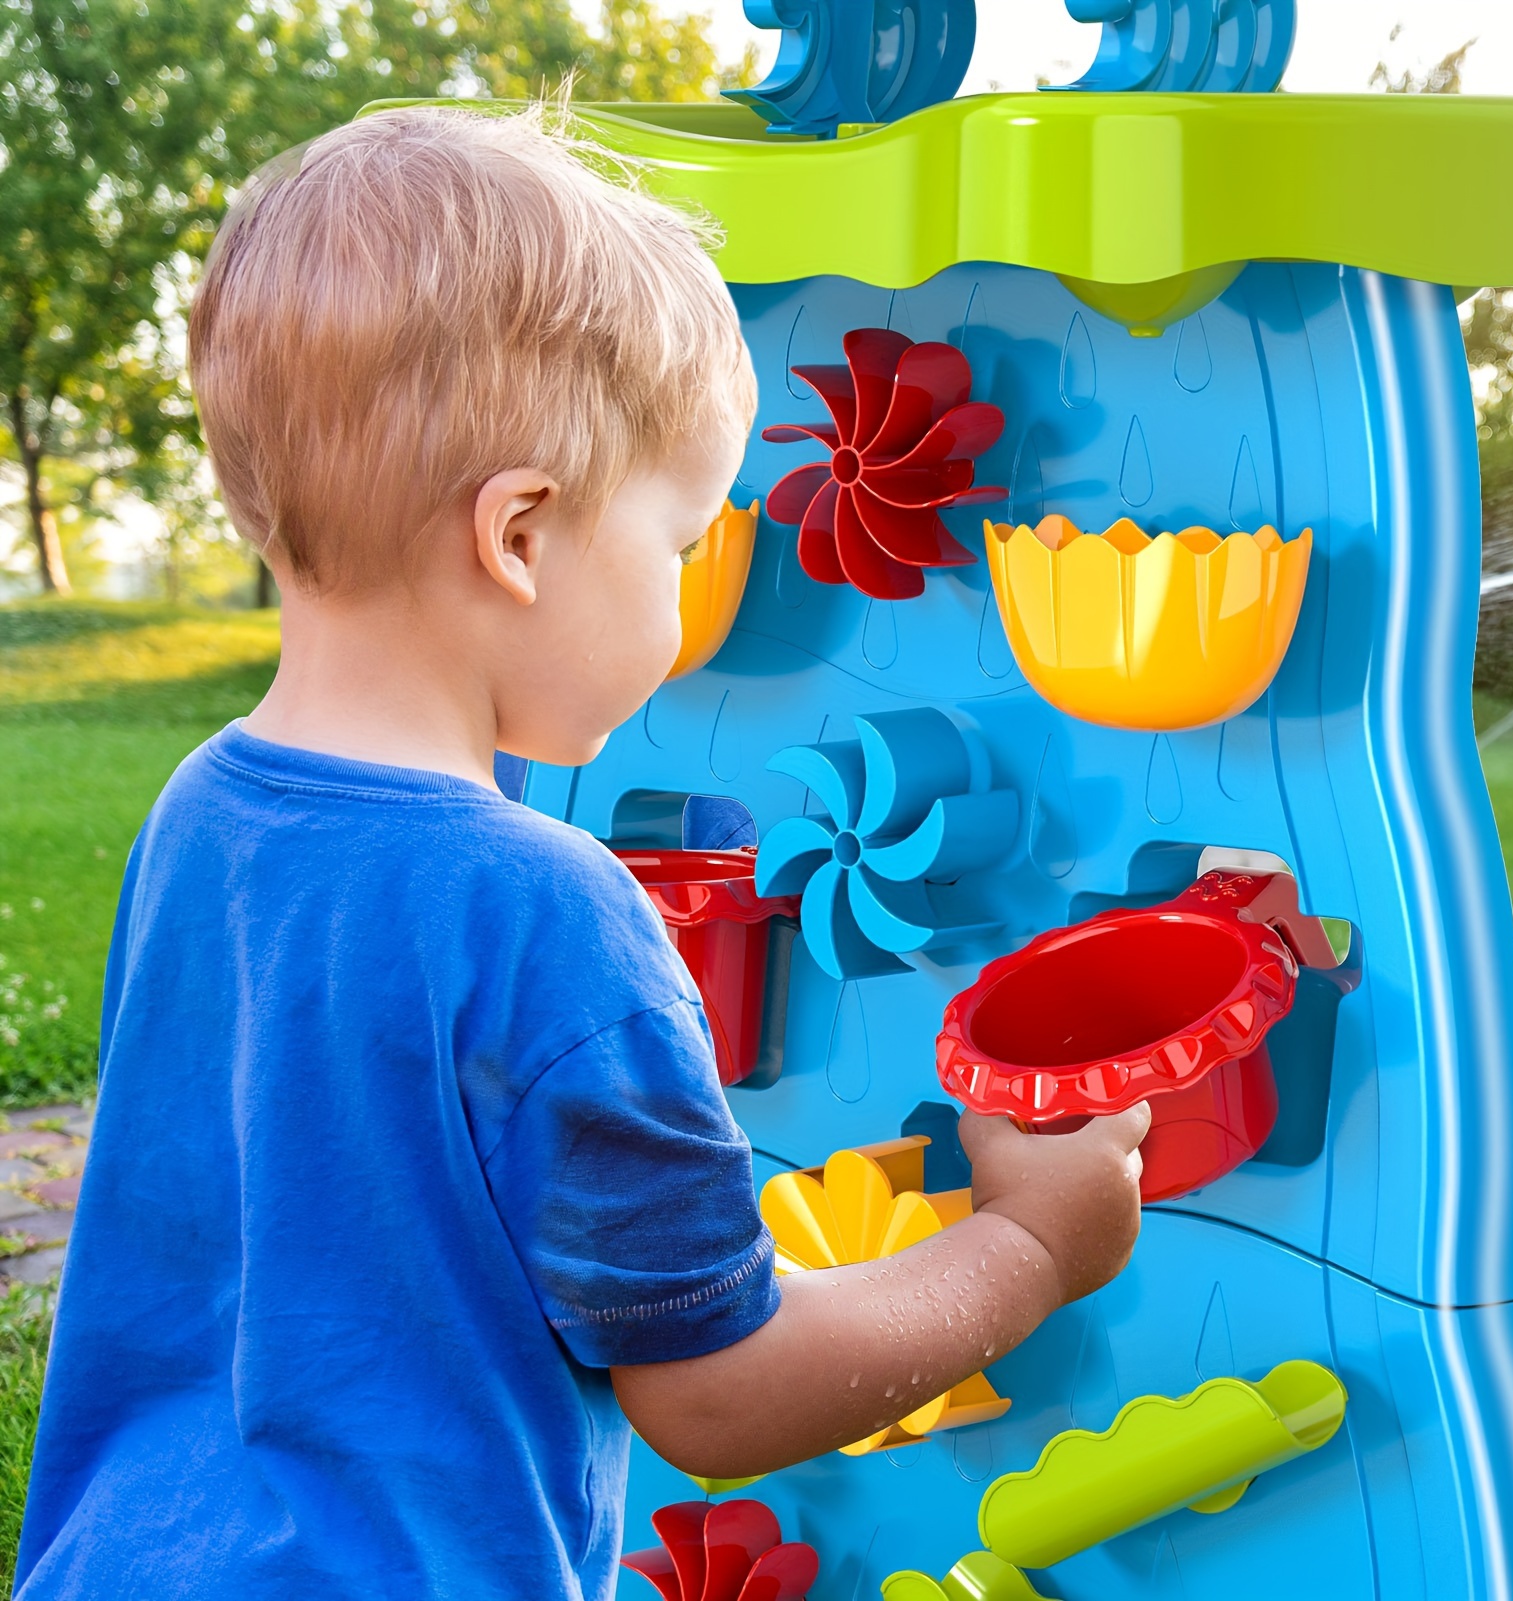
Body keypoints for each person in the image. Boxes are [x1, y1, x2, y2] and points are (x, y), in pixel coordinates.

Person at [14, 106, 1149, 1600]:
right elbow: (719, 1390)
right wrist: (1036, 1240)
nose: (681, 602)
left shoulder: (203, 814)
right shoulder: (545, 912)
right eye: (678, 543)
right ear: (522, 535)